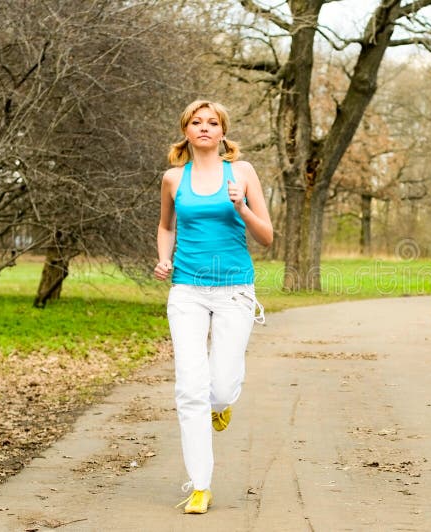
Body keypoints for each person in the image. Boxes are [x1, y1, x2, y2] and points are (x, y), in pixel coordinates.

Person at [153, 100, 273, 514]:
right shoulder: (172, 179)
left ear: (223, 132)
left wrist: (240, 206)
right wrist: (164, 257)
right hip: (186, 290)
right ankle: (200, 484)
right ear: (186, 130)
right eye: (196, 122)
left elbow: (268, 236)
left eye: (212, 122)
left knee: (219, 390)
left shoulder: (241, 173)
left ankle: (220, 408)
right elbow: (166, 226)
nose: (204, 128)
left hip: (235, 290)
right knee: (190, 388)